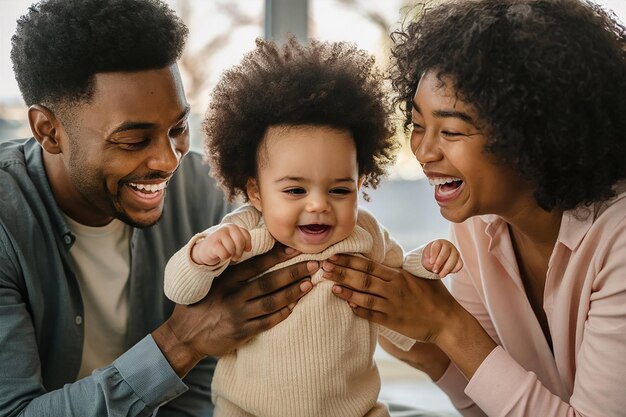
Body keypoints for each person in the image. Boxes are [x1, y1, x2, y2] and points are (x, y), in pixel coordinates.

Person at [1, 1, 317, 416]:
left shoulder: (203, 193)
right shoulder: (8, 223)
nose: (168, 161)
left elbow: (208, 386)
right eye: (133, 141)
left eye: (178, 129)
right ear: (49, 130)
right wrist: (180, 343)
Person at [321, 0, 626, 416]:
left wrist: (447, 323)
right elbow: (491, 409)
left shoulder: (619, 238)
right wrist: (428, 350)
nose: (424, 151)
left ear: (531, 137)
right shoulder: (475, 229)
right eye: (417, 125)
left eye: (450, 131)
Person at [163, 38, 463, 417]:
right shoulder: (243, 234)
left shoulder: (365, 236)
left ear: (360, 182)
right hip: (250, 411)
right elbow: (177, 288)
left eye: (340, 189)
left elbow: (400, 297)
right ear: (254, 191)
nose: (319, 204)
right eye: (294, 189)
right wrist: (201, 257)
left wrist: (427, 261)